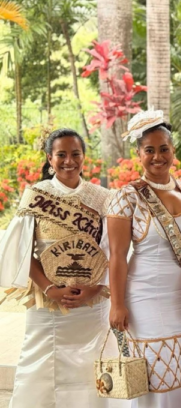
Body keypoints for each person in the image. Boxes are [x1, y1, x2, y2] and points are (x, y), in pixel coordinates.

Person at [0, 129, 123, 408]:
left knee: (92, 370)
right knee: (41, 370)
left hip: (92, 308)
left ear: (84, 157)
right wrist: (50, 288)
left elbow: (113, 252)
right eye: (61, 155)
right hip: (48, 306)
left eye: (75, 154)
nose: (69, 161)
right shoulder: (36, 195)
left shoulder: (103, 197)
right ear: (49, 158)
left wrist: (96, 289)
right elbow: (23, 252)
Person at [106, 110, 181, 408]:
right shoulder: (127, 197)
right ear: (138, 153)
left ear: (174, 151)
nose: (157, 156)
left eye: (163, 149)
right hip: (144, 299)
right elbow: (118, 257)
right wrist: (117, 304)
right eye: (149, 150)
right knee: (151, 376)